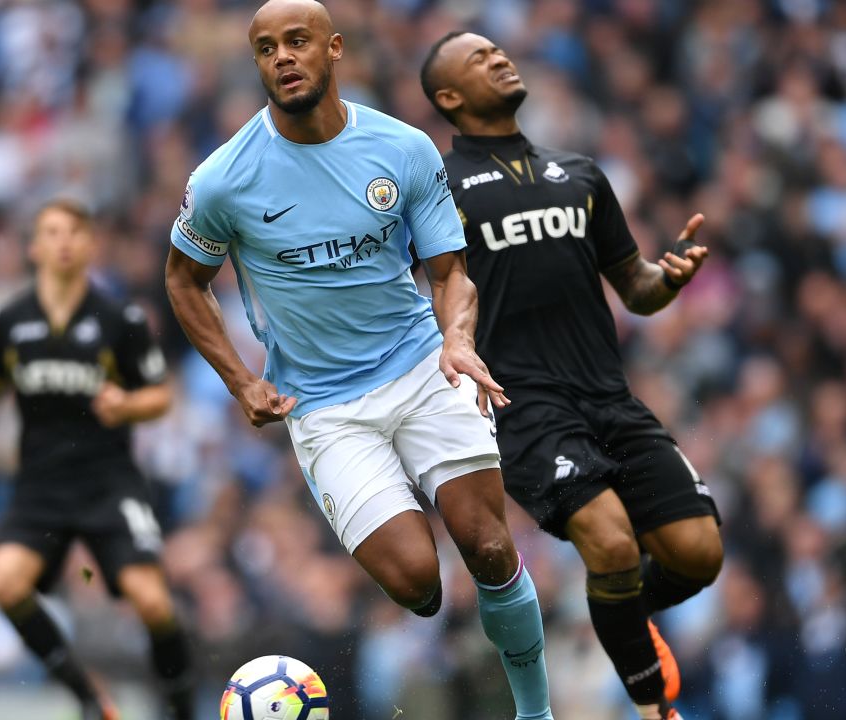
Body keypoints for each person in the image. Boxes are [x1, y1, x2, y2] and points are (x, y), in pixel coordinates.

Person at [163, 2, 555, 719]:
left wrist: (459, 340)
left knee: (490, 548)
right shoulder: (223, 180)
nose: (281, 57)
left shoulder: (402, 149)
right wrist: (242, 380)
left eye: (297, 42)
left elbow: (449, 271)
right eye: (265, 48)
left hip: (419, 364)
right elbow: (183, 281)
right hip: (325, 408)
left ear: (334, 49)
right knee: (419, 587)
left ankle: (536, 714)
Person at [421, 31, 725, 720]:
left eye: (499, 51)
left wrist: (668, 277)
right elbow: (434, 287)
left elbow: (636, 287)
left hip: (608, 397)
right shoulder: (438, 187)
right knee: (612, 540)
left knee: (698, 552)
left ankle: (620, 615)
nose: (499, 57)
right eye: (479, 58)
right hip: (523, 408)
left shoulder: (580, 173)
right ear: (449, 97)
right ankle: (655, 707)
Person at [0, 199, 194, 720]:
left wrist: (127, 403)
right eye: (52, 232)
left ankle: (179, 706)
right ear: (34, 247)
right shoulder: (9, 321)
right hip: (39, 487)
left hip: (108, 481)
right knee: (1, 580)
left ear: (90, 246)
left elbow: (160, 396)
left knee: (153, 603)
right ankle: (87, 697)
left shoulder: (120, 319)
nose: (63, 241)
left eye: (74, 232)